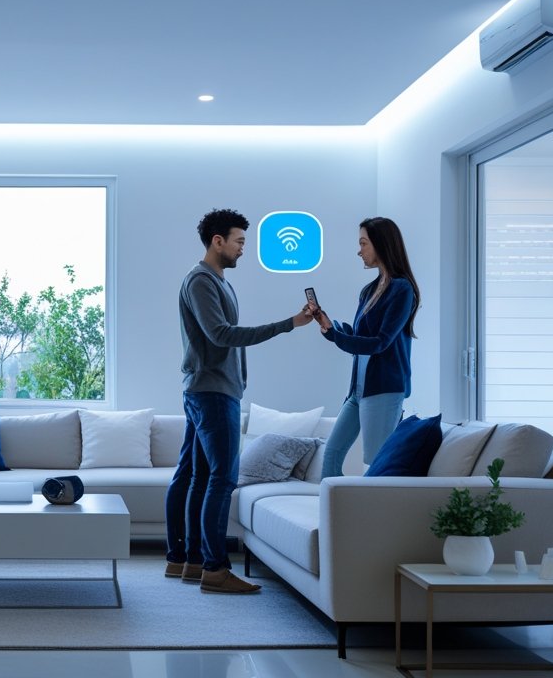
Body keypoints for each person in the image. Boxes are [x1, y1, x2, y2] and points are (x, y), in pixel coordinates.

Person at [165, 208, 316, 594]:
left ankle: (192, 562)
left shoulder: (217, 282)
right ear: (218, 241)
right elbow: (220, 335)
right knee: (222, 478)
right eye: (240, 242)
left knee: (200, 476)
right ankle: (214, 568)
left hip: (213, 388)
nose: (243, 250)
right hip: (212, 392)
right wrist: (288, 324)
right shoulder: (200, 281)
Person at [311, 217, 420, 478]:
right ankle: (332, 516)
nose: (359, 250)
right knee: (332, 452)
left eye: (363, 243)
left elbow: (380, 343)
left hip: (383, 390)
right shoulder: (369, 290)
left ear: (381, 245)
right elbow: (359, 339)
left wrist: (339, 336)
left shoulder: (401, 290)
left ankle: (371, 517)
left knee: (375, 461)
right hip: (357, 391)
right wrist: (331, 329)